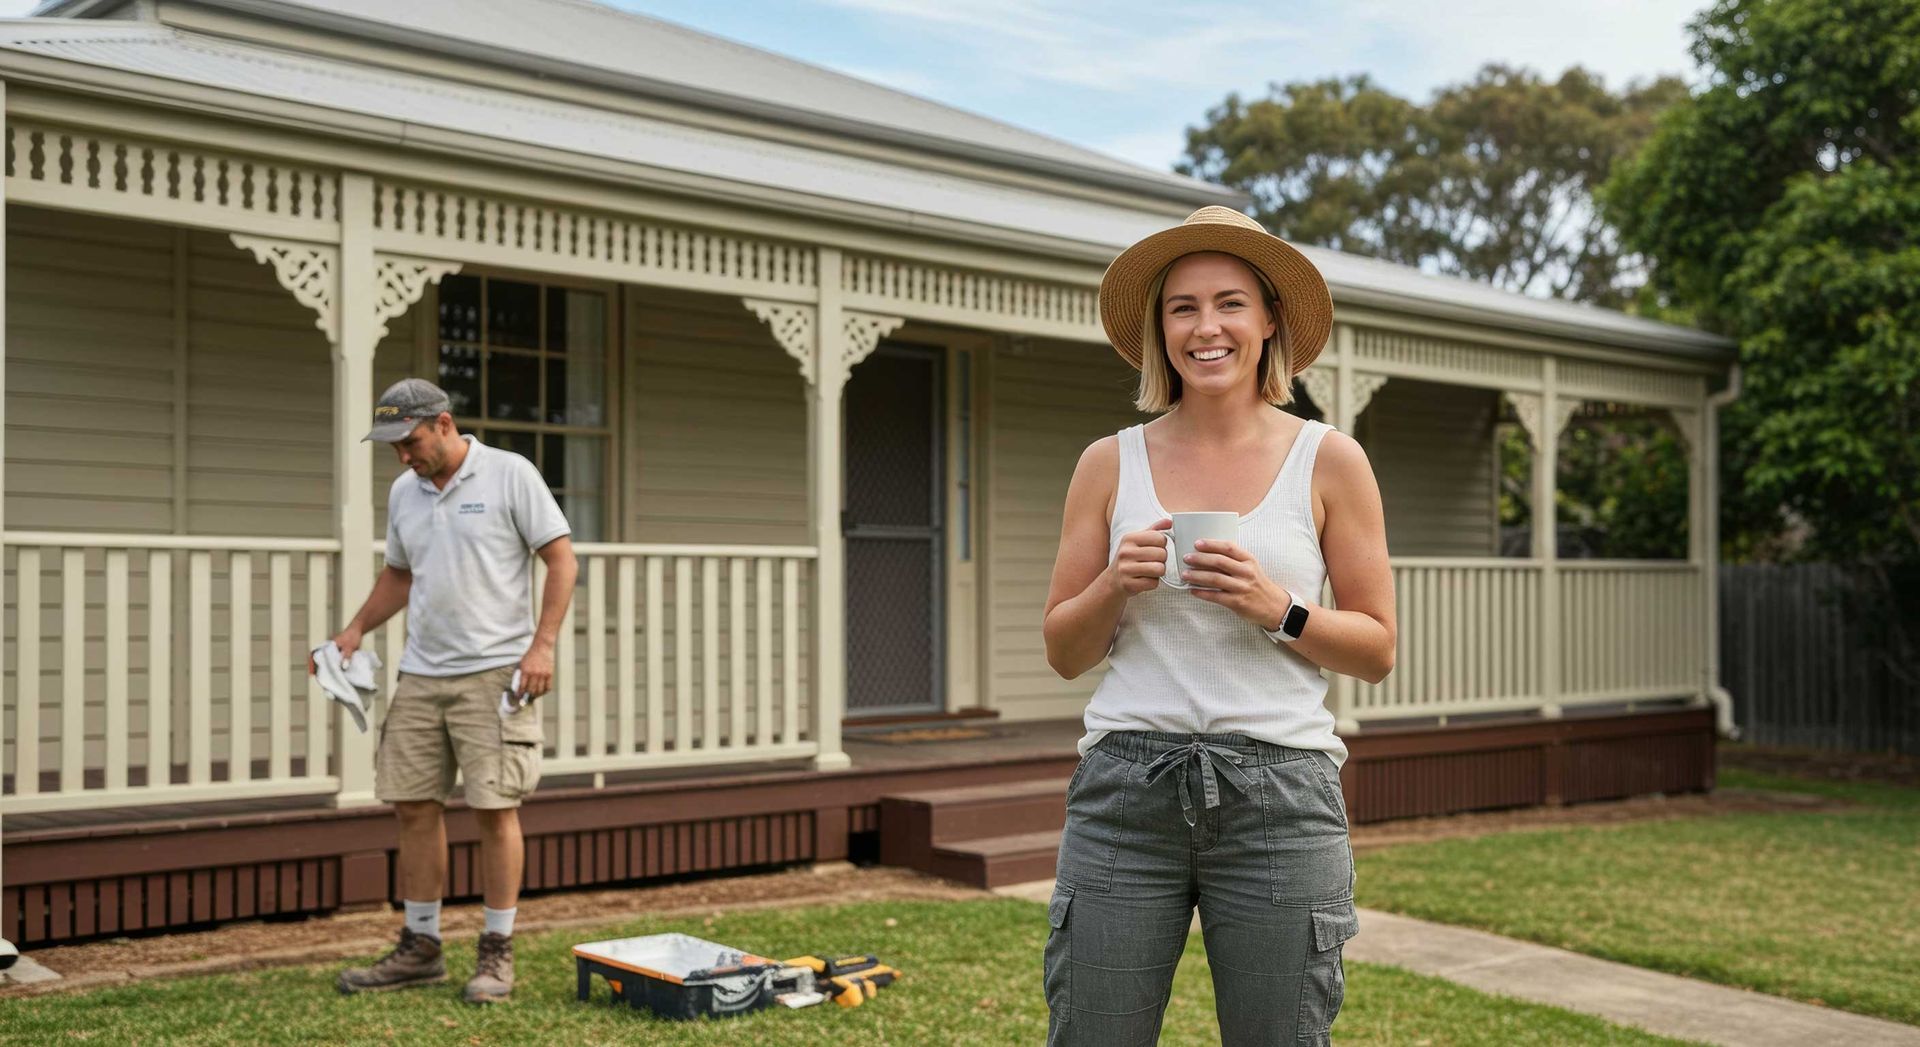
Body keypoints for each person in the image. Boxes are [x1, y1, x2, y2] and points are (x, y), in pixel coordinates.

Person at [1040, 207, 1396, 1045]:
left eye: (1230, 303)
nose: (1207, 328)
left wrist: (1279, 608)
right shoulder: (1108, 461)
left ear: (1270, 319)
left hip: (1281, 795)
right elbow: (1063, 650)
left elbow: (1377, 648)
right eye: (1182, 307)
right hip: (1127, 792)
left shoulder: (1330, 458)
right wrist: (1114, 586)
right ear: (1159, 330)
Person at [324, 378, 577, 1004]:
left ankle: (497, 951)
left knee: (495, 809)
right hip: (421, 672)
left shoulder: (509, 474)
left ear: (443, 423)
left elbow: (562, 559)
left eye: (409, 442)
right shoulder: (404, 492)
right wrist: (355, 630)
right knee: (412, 804)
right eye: (392, 448)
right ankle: (422, 946)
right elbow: (400, 574)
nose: (403, 457)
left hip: (495, 672)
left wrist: (541, 645)